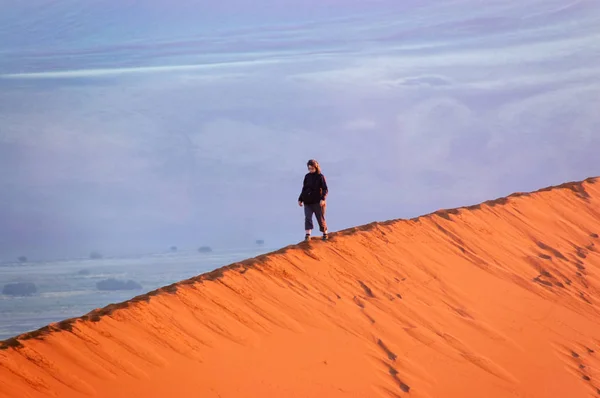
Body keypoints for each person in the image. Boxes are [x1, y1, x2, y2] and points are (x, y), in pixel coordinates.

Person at [298, 159, 329, 241]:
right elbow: (304, 189)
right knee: (308, 218)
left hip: (317, 202)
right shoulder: (307, 176)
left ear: (316, 167)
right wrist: (300, 199)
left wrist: (323, 199)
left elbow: (325, 189)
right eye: (309, 168)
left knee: (320, 218)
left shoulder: (320, 176)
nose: (310, 170)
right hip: (307, 201)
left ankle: (325, 233)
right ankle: (308, 235)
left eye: (312, 168)